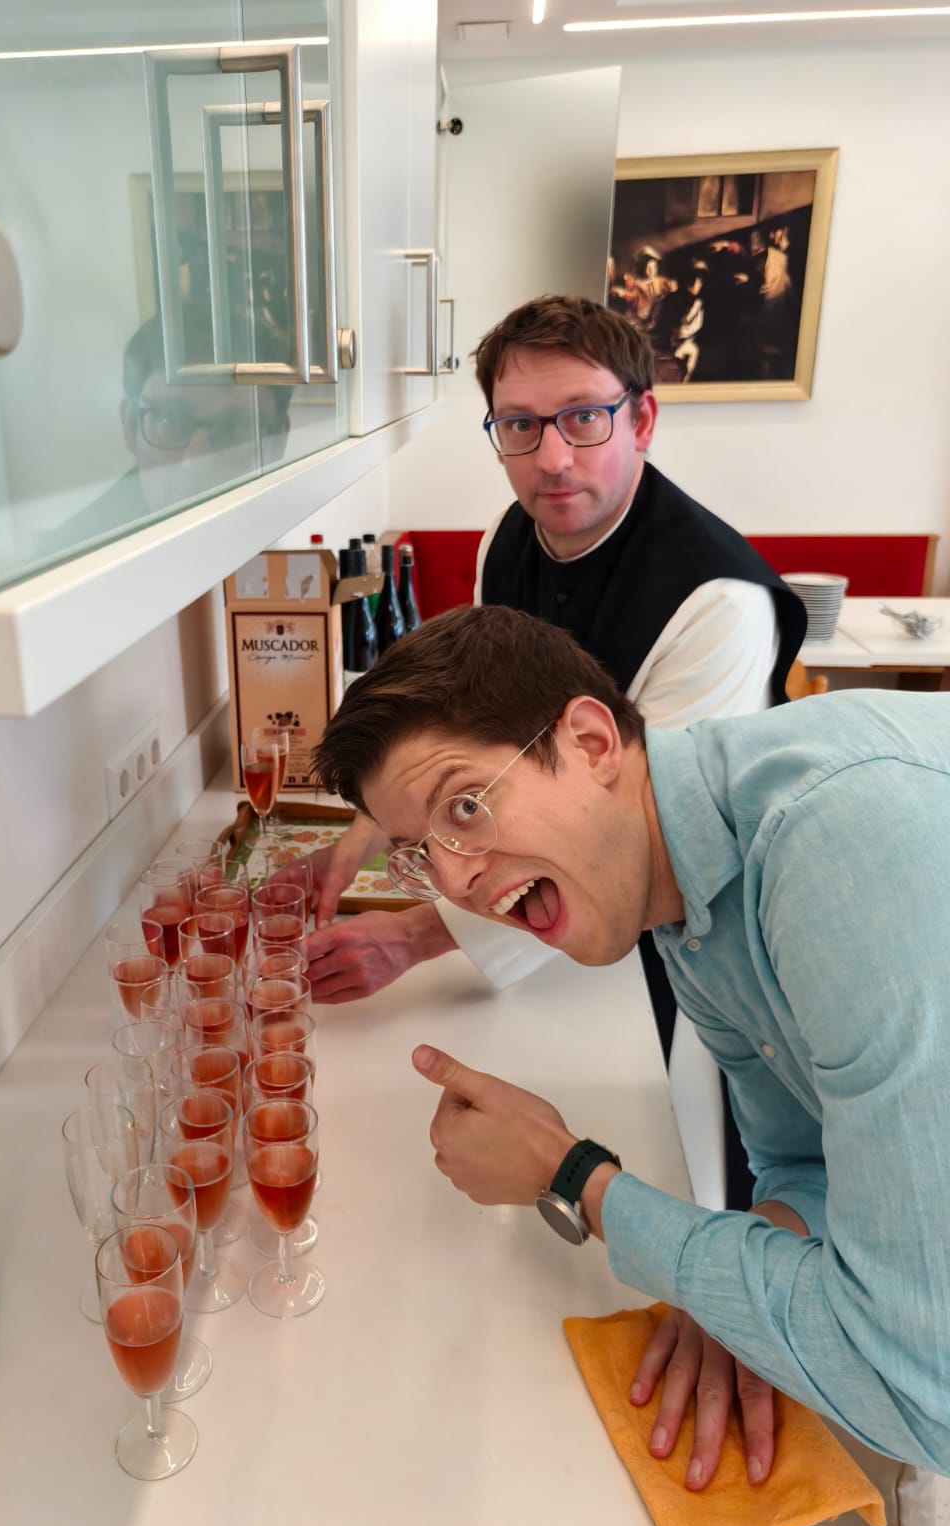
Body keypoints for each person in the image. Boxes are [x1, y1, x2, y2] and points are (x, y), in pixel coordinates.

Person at [311, 604, 948, 1526]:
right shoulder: (682, 897)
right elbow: (799, 1166)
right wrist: (729, 1290)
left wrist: (578, 1179)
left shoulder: (834, 841)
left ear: (592, 741)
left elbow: (919, 1386)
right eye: (420, 852)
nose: (458, 881)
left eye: (466, 807)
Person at [303, 297, 806, 1059]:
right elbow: (461, 727)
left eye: (584, 418)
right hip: (562, 918)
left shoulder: (718, 602)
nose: (552, 458)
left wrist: (412, 937)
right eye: (520, 425)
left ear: (641, 420)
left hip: (703, 940)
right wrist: (364, 837)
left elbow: (648, 838)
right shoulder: (506, 541)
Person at [50, 302, 293, 555]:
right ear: (131, 426)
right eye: (169, 421)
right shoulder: (70, 561)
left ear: (278, 442)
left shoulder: (289, 516)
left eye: (236, 428)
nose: (198, 461)